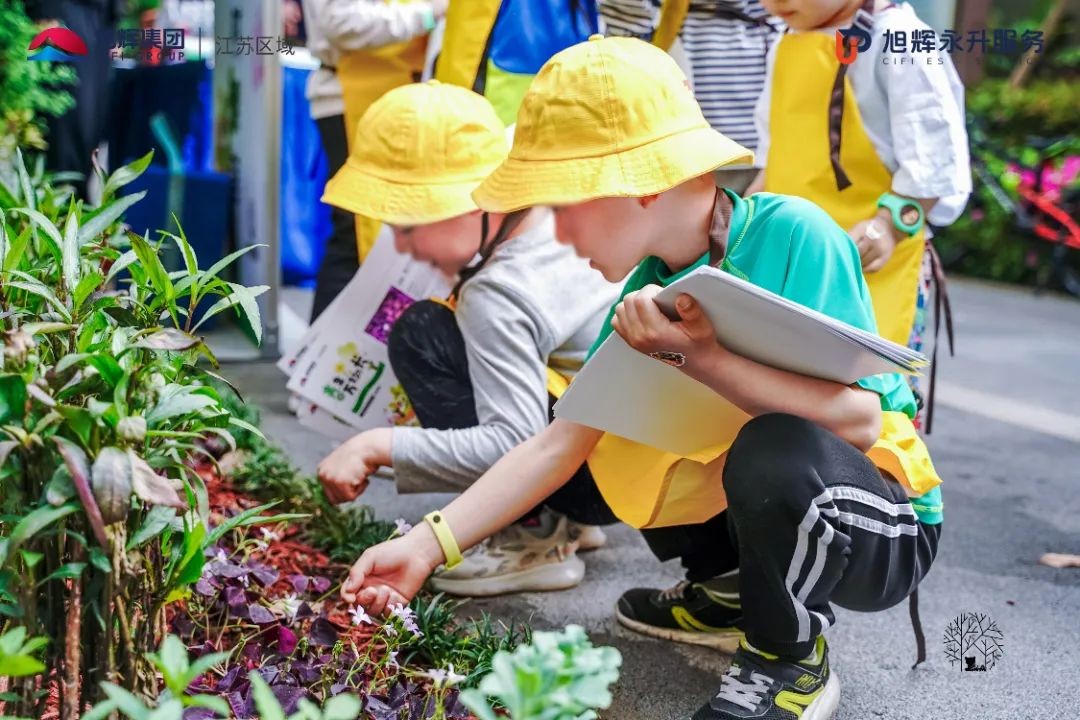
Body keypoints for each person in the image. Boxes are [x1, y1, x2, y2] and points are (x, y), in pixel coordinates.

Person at [339, 36, 944, 720]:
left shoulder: (794, 233)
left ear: (645, 184)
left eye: (565, 204)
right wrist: (423, 545)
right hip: (788, 494)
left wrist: (702, 357)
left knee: (769, 441)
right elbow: (556, 445)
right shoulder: (648, 293)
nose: (559, 232)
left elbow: (859, 421)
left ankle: (788, 658)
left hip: (881, 520)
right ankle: (730, 590)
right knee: (632, 422)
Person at [316, 81, 621, 598]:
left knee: (420, 334)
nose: (401, 246)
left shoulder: (499, 292)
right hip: (624, 460)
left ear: (473, 203)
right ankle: (565, 521)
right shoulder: (543, 203)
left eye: (409, 226)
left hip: (583, 471)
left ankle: (531, 534)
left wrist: (376, 447)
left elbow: (514, 443)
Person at [746, 0, 970, 364]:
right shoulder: (786, 40)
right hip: (793, 257)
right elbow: (774, 157)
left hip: (869, 260)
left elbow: (934, 161)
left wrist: (889, 225)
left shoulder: (902, 38)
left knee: (866, 389)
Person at [301, 0, 447, 320]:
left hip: (404, 98)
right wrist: (430, 12)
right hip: (349, 98)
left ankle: (361, 360)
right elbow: (341, 23)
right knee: (356, 231)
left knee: (390, 237)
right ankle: (319, 363)